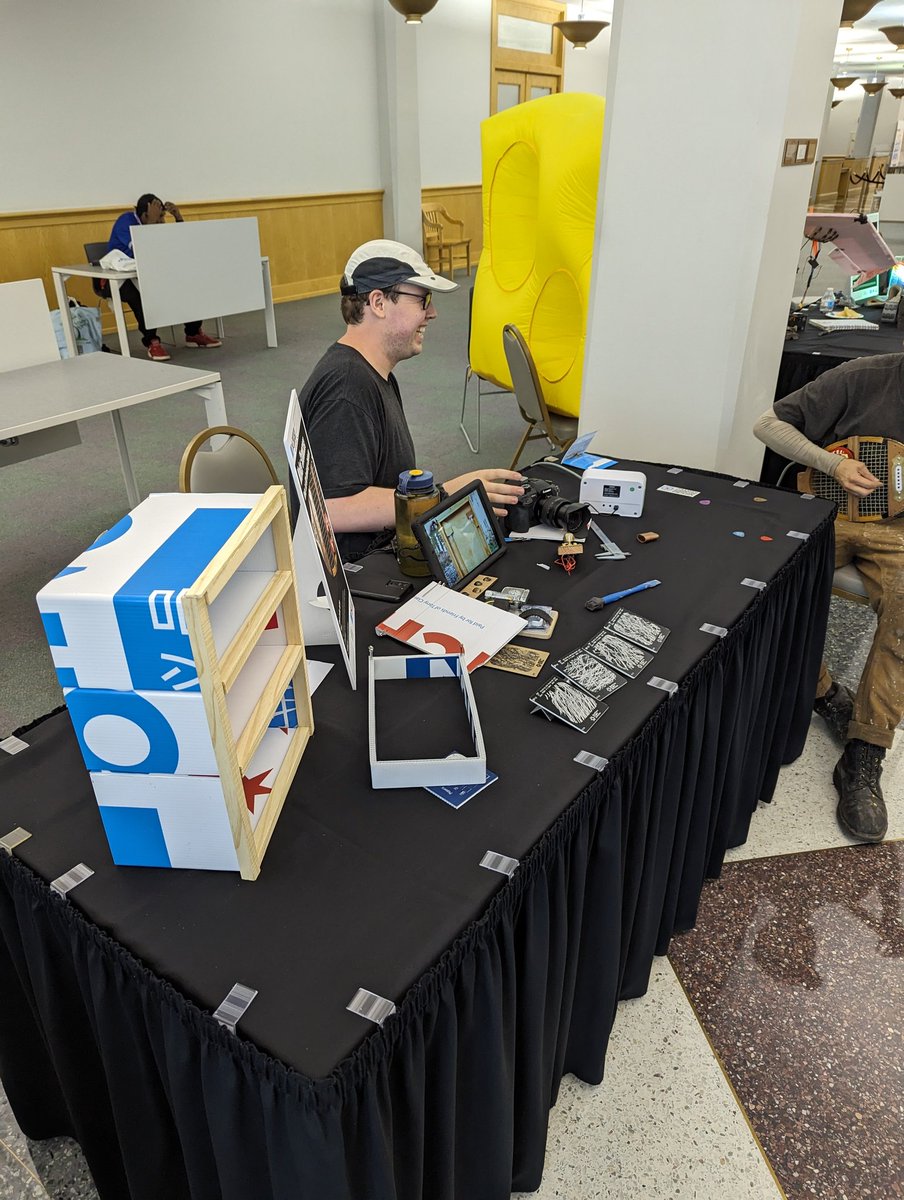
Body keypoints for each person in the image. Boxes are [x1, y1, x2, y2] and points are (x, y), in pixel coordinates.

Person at [753, 353, 904, 843]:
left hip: (899, 532)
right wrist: (830, 463)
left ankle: (866, 751)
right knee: (770, 585)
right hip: (831, 509)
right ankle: (822, 693)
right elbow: (767, 425)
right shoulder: (864, 376)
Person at [299, 239, 525, 562]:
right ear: (378, 302)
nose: (431, 313)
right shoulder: (346, 388)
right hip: (360, 584)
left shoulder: (374, 374)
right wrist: (440, 496)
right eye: (422, 299)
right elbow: (329, 509)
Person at [105, 193, 222, 361]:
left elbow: (179, 244)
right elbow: (143, 250)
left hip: (151, 272)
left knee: (188, 284)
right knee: (140, 295)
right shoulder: (125, 221)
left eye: (162, 216)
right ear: (144, 215)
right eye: (158, 216)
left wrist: (178, 217)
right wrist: (153, 223)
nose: (161, 220)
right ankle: (152, 342)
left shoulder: (153, 223)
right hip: (119, 277)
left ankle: (193, 333)